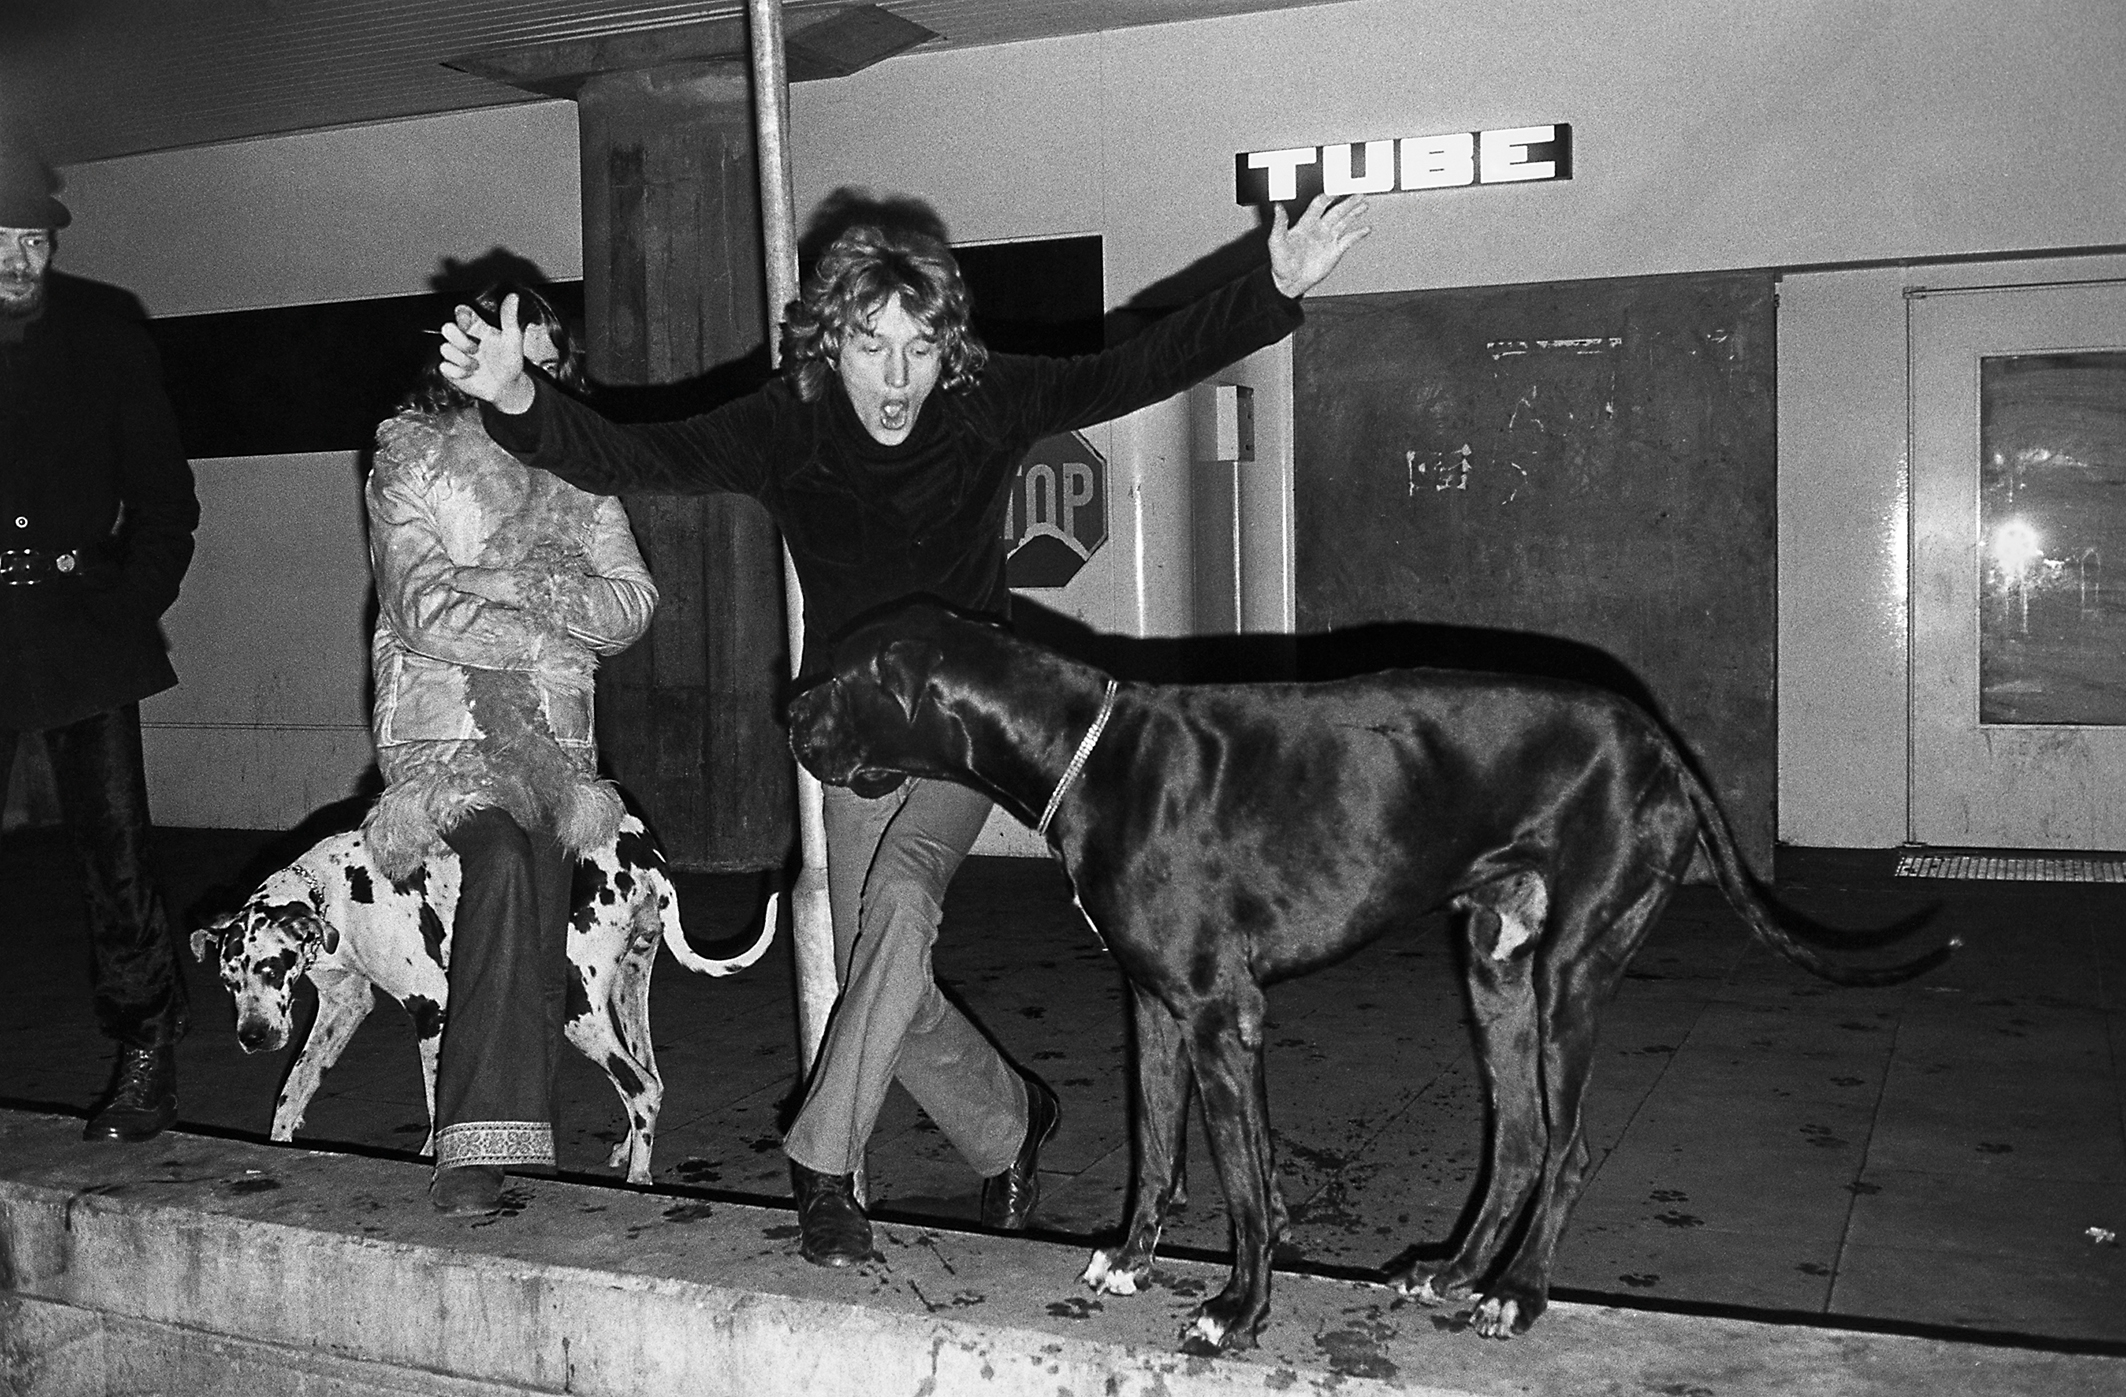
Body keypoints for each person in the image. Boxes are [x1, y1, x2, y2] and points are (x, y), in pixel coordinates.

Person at [436, 192, 1371, 1262]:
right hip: (852, 733)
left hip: (968, 729)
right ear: (829, 340)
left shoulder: (983, 400)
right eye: (871, 346)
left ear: (947, 348)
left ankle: (823, 1162)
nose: (895, 377)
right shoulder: (787, 423)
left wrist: (1269, 290)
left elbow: (1131, 369)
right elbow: (638, 454)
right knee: (885, 970)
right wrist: (517, 398)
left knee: (899, 903)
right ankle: (1011, 1122)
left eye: (919, 348)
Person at [363, 281, 657, 1215]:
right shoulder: (411, 456)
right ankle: (470, 1150)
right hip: (443, 738)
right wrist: (536, 632)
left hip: (556, 748)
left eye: (542, 362)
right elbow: (421, 605)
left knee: (539, 896)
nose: (522, 376)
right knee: (496, 858)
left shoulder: (584, 468)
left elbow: (633, 604)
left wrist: (527, 586)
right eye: (502, 355)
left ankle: (516, 1142)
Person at [0, 144, 199, 1144]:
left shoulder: (105, 334)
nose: (19, 261)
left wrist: (124, 605)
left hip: (80, 628)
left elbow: (167, 501)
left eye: (33, 241)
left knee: (116, 856)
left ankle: (147, 1050)